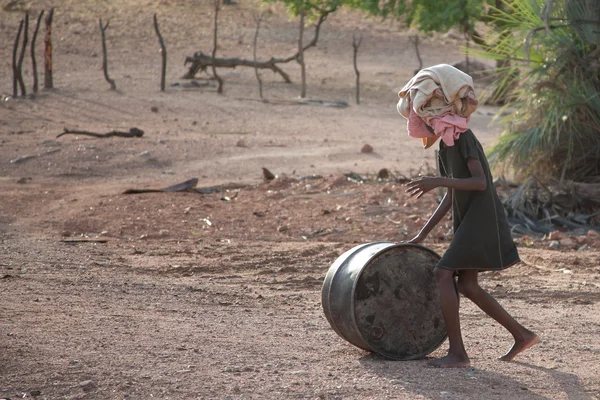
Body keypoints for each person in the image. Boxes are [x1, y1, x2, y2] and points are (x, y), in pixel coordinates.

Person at [397, 64, 539, 368]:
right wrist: (422, 234)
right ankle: (522, 335)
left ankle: (458, 354)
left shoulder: (463, 138)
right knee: (468, 285)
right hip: (468, 218)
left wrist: (437, 181)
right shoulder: (444, 146)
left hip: (481, 217)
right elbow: (451, 196)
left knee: (443, 273)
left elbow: (479, 183)